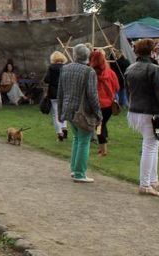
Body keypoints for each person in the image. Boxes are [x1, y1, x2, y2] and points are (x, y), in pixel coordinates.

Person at [125, 38, 159, 196]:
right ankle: (145, 183)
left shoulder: (131, 68)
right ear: (151, 51)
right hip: (150, 111)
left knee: (153, 145)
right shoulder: (153, 69)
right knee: (150, 146)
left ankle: (153, 179)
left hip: (135, 110)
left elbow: (128, 91)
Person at [57, 44, 100, 183]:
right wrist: (99, 113)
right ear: (87, 56)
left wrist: (59, 111)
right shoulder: (89, 72)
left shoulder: (65, 68)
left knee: (77, 139)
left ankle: (75, 169)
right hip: (83, 112)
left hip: (68, 109)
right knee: (83, 141)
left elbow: (60, 92)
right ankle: (80, 173)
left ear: (74, 55)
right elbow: (93, 96)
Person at [90, 48, 120, 157]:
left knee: (98, 127)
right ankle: (101, 147)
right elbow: (117, 87)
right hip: (109, 104)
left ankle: (103, 150)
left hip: (97, 104)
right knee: (102, 125)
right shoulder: (110, 72)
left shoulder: (91, 73)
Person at [44, 51, 67, 140]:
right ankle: (64, 128)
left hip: (53, 93)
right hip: (64, 93)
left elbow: (46, 79)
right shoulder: (66, 67)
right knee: (63, 112)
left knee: (55, 114)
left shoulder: (51, 68)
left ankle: (59, 133)